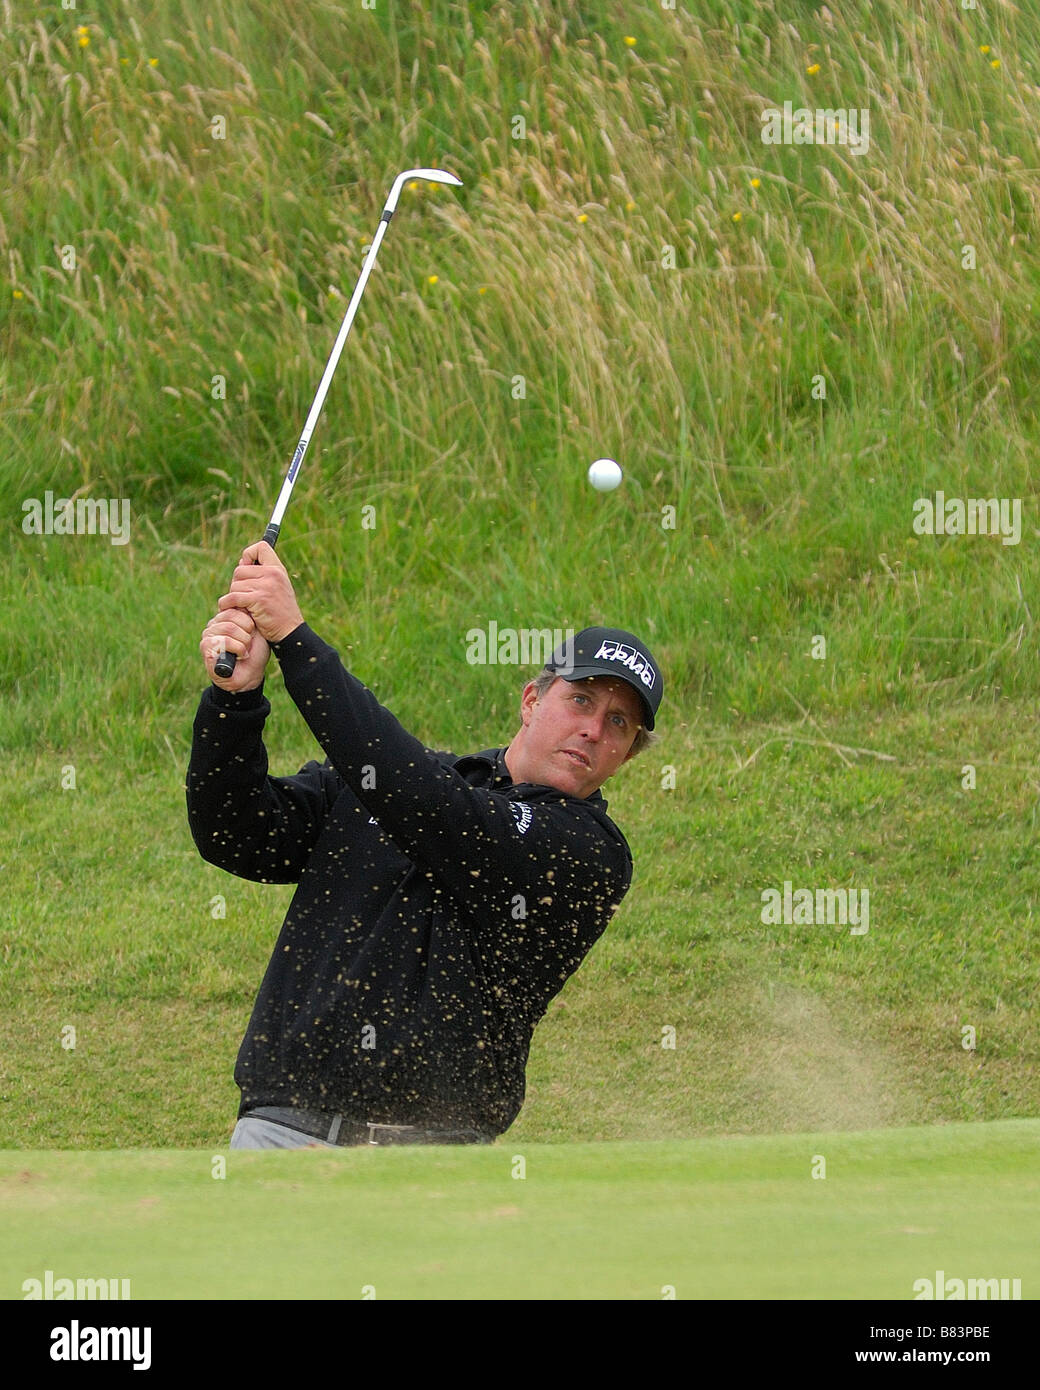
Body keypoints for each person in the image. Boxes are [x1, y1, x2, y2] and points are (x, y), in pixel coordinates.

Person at [186, 542, 663, 1148]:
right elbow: (236, 834)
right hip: (283, 1130)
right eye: (581, 700)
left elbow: (437, 813)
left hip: (432, 1156)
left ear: (625, 754)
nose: (594, 729)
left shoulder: (588, 853)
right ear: (532, 700)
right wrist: (235, 702)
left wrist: (296, 640)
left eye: (619, 722)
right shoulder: (390, 786)